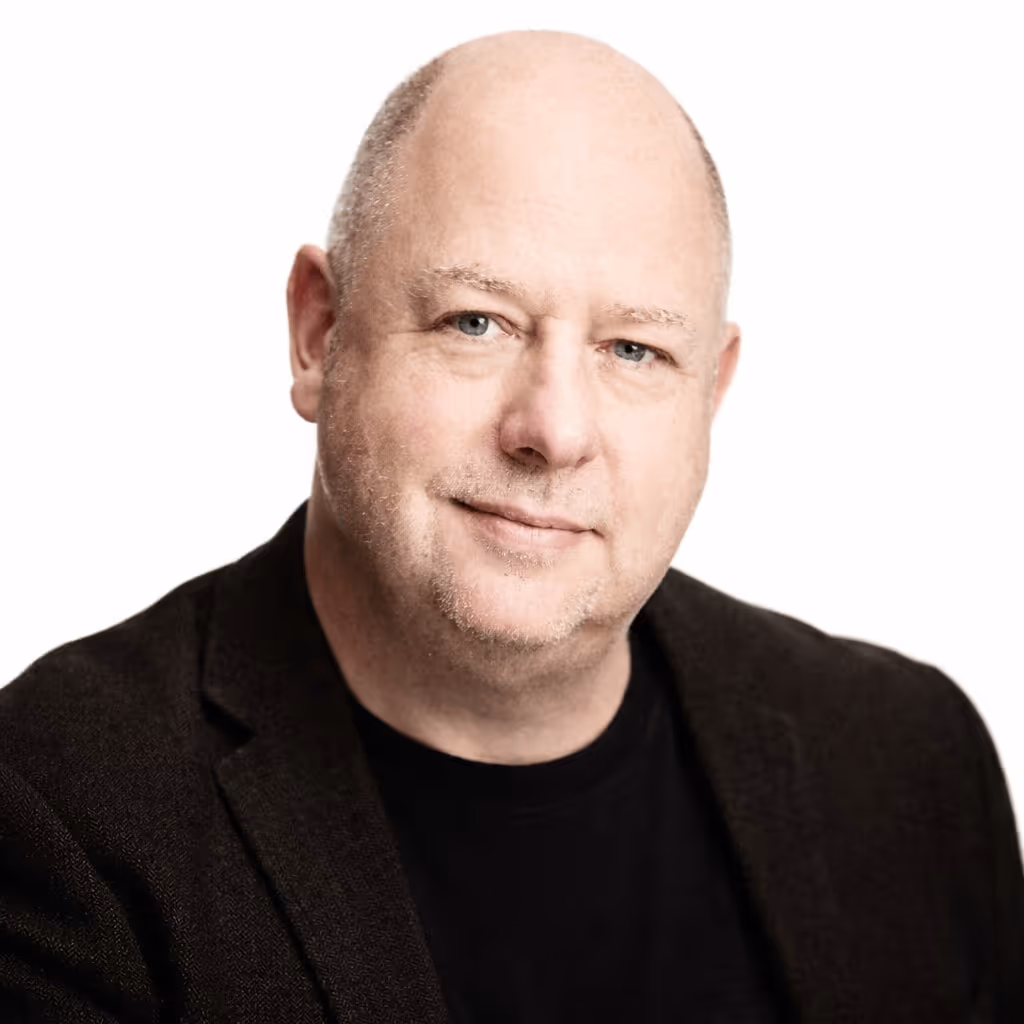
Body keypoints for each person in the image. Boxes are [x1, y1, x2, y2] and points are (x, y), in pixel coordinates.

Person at [0, 27, 1020, 1023]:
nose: (552, 430)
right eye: (474, 322)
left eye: (632, 350)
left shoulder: (911, 766)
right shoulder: (60, 808)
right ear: (320, 334)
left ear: (709, 395)